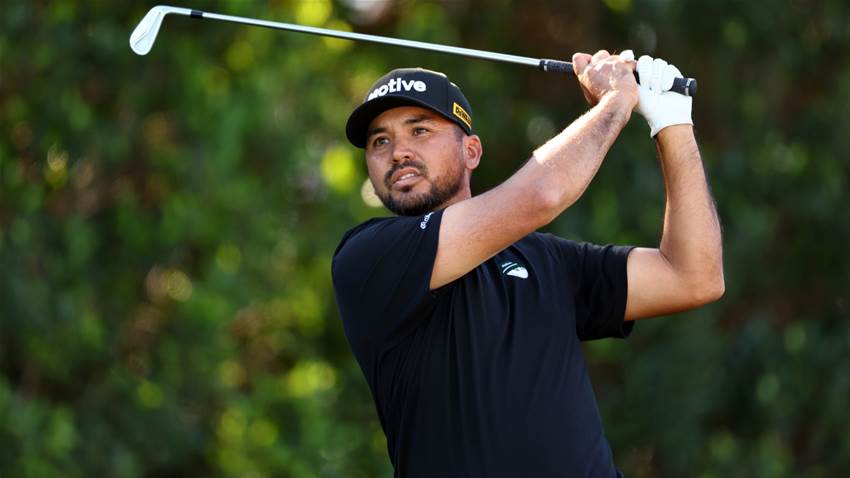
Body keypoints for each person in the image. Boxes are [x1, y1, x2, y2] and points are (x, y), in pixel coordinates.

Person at [331, 50, 724, 477]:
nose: (398, 152)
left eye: (420, 130)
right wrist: (616, 102)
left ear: (471, 152)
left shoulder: (543, 258)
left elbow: (693, 276)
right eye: (380, 141)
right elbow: (542, 195)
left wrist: (672, 124)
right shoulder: (368, 258)